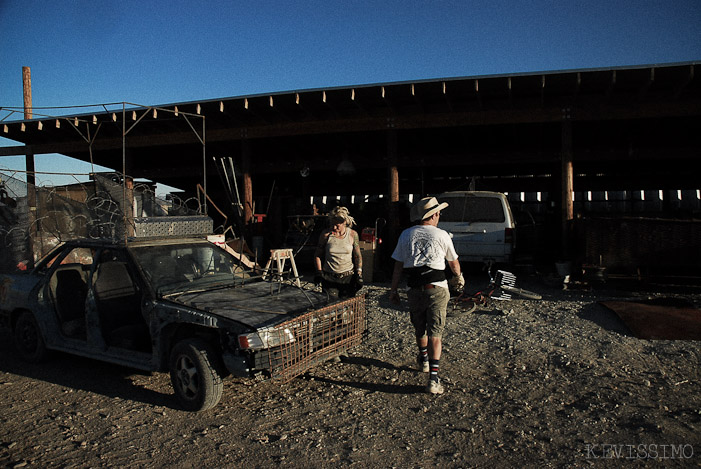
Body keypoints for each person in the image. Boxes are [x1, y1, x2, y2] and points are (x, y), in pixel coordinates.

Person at [389, 196, 464, 394]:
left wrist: (393, 290)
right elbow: (453, 263)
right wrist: (459, 278)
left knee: (419, 327)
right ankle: (433, 379)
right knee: (435, 333)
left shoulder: (405, 235)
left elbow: (397, 266)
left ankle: (423, 360)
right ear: (434, 214)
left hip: (414, 288)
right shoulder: (442, 235)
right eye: (438, 212)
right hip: (437, 288)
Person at [314, 206, 363, 299]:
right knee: (330, 305)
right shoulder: (326, 235)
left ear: (344, 223)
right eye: (332, 224)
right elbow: (317, 255)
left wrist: (359, 273)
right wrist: (319, 272)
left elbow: (357, 256)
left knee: (347, 305)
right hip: (329, 276)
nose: (334, 227)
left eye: (337, 225)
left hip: (347, 276)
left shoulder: (353, 234)